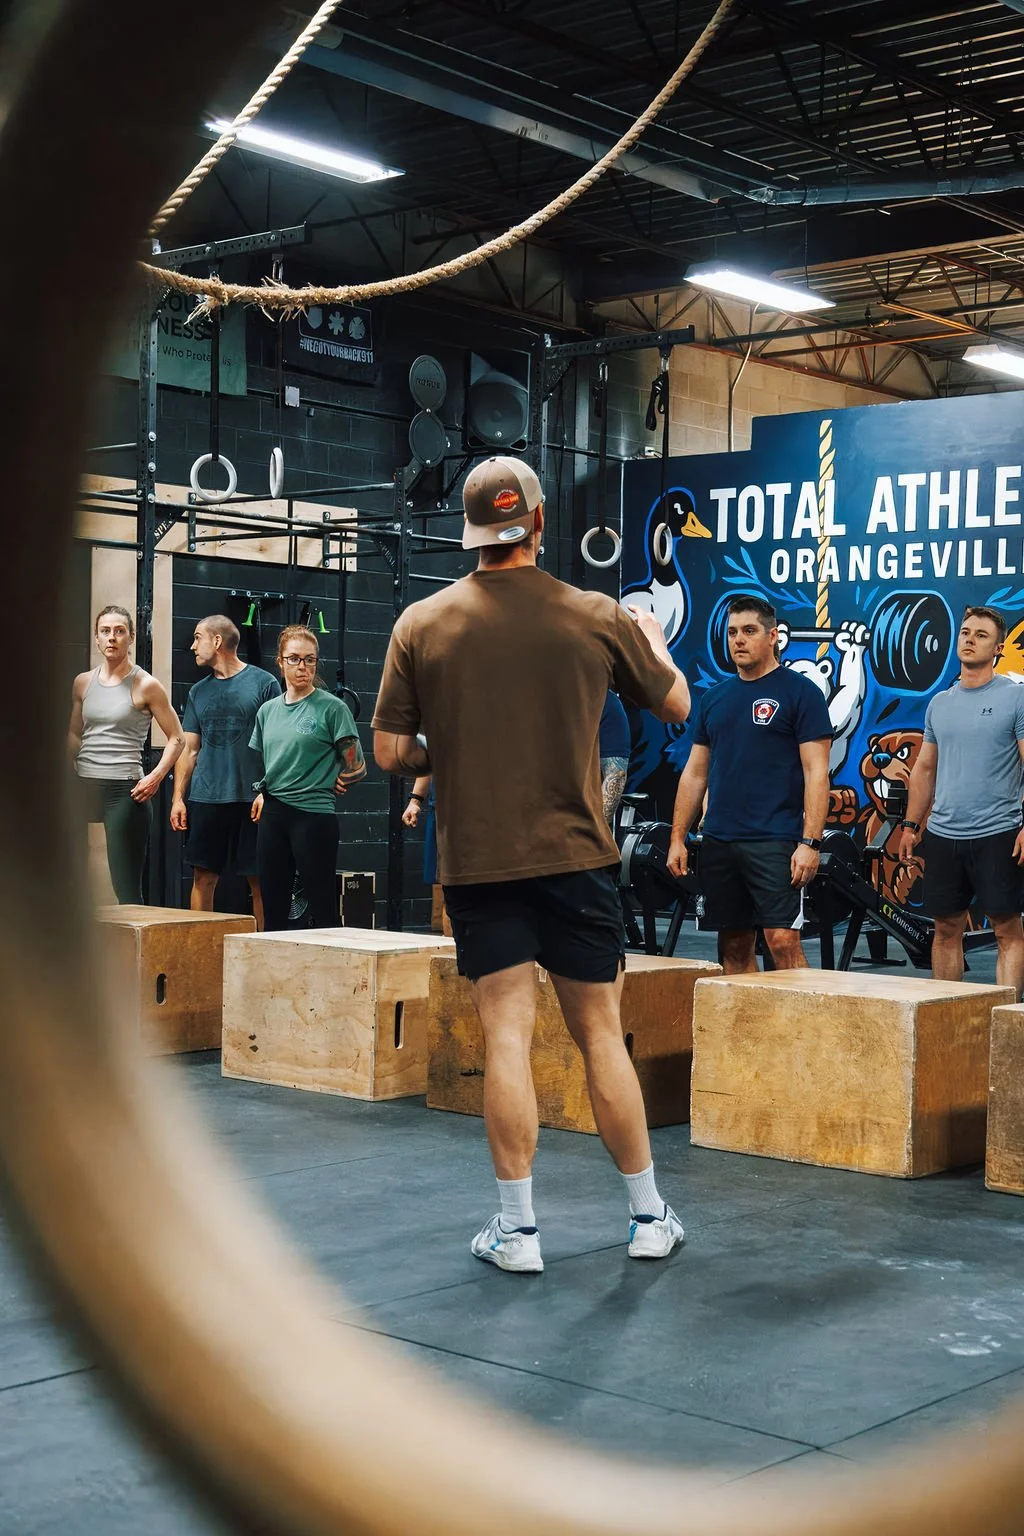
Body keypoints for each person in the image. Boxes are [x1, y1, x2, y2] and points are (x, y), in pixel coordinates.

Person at [372, 455, 691, 1274]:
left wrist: (456, 749)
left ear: (471, 530)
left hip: (481, 861)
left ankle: (517, 1234)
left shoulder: (422, 623)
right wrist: (654, 639)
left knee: (507, 1037)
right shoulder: (595, 615)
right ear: (540, 522)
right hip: (576, 857)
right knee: (599, 1037)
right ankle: (649, 1217)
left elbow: (390, 752)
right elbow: (681, 707)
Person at [666, 594, 831, 973]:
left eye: (749, 631)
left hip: (775, 839)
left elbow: (816, 773)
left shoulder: (801, 693)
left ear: (772, 636)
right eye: (732, 632)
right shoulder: (714, 699)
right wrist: (678, 837)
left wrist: (810, 842)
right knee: (734, 945)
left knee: (782, 942)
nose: (738, 640)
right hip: (721, 840)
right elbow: (695, 773)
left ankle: (802, 1033)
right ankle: (742, 1034)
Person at [898, 606, 1024, 998]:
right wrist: (910, 826)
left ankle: (1009, 1026)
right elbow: (924, 770)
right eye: (965, 632)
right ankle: (946, 1020)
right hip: (944, 834)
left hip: (999, 832)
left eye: (980, 635)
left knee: (1008, 930)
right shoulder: (940, 703)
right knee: (946, 930)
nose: (969, 639)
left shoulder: (1016, 698)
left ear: (998, 648)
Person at [250, 625, 366, 932]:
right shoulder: (267, 711)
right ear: (280, 661)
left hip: (313, 815)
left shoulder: (332, 708)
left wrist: (340, 777)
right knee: (273, 904)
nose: (302, 667)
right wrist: (262, 792)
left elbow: (358, 766)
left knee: (322, 905)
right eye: (294, 659)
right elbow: (268, 763)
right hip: (274, 815)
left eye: (309, 660)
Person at [69, 605, 185, 904]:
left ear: (131, 637)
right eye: (105, 632)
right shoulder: (83, 682)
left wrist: (156, 777)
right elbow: (73, 733)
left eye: (119, 632)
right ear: (96, 638)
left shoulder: (145, 685)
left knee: (126, 887)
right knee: (68, 877)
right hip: (83, 785)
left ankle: (134, 950)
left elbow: (177, 738)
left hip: (125, 791)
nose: (112, 638)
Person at [170, 615, 280, 928]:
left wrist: (267, 791)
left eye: (197, 638)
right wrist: (179, 797)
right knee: (203, 879)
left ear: (217, 641)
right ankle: (201, 954)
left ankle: (267, 953)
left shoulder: (264, 684)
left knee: (260, 880)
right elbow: (189, 749)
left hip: (252, 798)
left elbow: (277, 742)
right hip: (207, 798)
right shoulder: (198, 692)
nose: (192, 646)